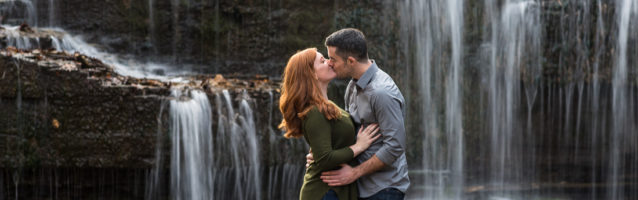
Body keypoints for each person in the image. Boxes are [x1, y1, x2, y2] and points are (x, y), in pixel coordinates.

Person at [307, 28, 410, 200]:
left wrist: (354, 173)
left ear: (351, 61)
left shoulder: (382, 93)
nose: (330, 63)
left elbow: (395, 147)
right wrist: (320, 154)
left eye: (333, 59)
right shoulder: (353, 85)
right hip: (358, 186)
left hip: (383, 189)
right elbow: (348, 130)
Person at [279, 47, 381, 200]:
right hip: (324, 192)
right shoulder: (314, 111)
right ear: (312, 74)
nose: (330, 62)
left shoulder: (328, 106)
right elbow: (325, 159)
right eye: (323, 61)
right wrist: (359, 147)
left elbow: (324, 149)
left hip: (335, 191)